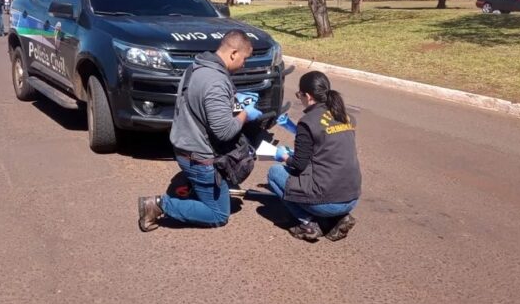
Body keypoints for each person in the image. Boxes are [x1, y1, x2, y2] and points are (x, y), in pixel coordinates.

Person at [138, 29, 263, 232]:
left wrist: (234, 102)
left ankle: (192, 186)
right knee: (219, 214)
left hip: (183, 145)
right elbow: (224, 132)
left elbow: (202, 106)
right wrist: (245, 115)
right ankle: (158, 205)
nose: (244, 64)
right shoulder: (215, 81)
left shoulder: (196, 67)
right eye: (244, 58)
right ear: (233, 53)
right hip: (198, 158)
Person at [267, 71, 361, 242]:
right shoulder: (344, 115)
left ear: (308, 96)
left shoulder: (308, 120)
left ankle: (307, 223)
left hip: (329, 201)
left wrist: (282, 156)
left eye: (299, 95)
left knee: (274, 173)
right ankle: (338, 218)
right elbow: (324, 143)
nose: (300, 99)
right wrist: (291, 129)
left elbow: (299, 165)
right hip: (352, 197)